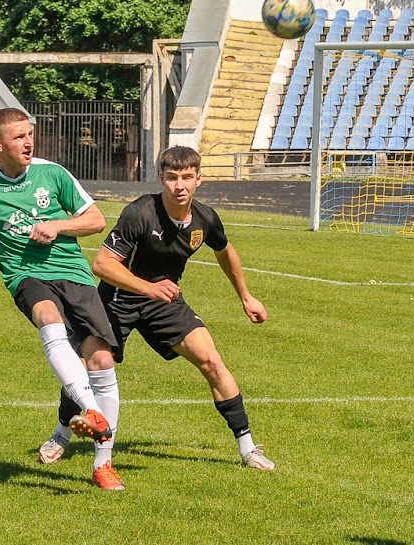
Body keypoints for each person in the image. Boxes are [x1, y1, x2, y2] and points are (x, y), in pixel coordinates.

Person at [37, 145, 276, 470]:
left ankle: (248, 448)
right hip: (117, 300)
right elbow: (103, 264)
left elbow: (225, 251)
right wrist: (148, 287)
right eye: (173, 177)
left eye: (187, 177)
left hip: (163, 302)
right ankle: (62, 434)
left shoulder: (205, 218)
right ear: (161, 178)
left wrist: (246, 296)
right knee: (88, 369)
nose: (180, 186)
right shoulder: (140, 213)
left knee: (212, 362)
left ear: (198, 180)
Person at [0, 107, 126, 491]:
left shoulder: (53, 173)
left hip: (73, 274)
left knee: (100, 359)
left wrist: (57, 225)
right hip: (25, 276)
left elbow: (96, 220)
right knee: (48, 318)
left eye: (29, 134)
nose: (28, 142)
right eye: (18, 137)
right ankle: (92, 410)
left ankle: (103, 464)